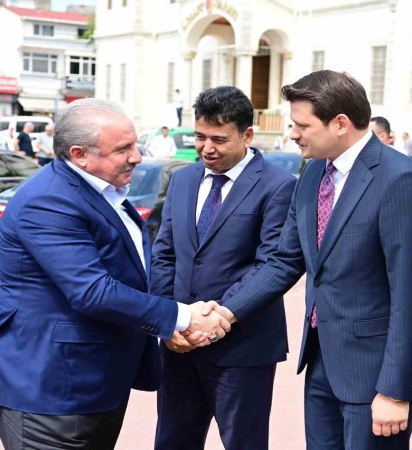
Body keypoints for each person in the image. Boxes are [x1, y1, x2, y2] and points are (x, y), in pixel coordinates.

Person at [0, 98, 233, 449]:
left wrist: (166, 322)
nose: (137, 157)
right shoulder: (49, 201)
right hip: (48, 389)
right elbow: (92, 291)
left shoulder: (102, 191)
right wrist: (183, 317)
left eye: (135, 145)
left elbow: (130, 273)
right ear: (79, 154)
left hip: (93, 381)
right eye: (123, 149)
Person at [214, 70, 412, 450]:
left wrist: (395, 389)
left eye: (302, 125)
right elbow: (284, 261)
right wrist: (225, 312)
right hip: (323, 362)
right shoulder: (312, 175)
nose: (293, 134)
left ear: (339, 124)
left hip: (376, 372)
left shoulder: (398, 179)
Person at [152, 86, 296, 450]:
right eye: (200, 137)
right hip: (179, 343)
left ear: (247, 135)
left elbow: (273, 264)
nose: (207, 148)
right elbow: (165, 254)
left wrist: (220, 318)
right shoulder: (183, 179)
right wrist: (168, 321)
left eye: (219, 139)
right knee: (172, 441)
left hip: (242, 348)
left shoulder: (279, 186)